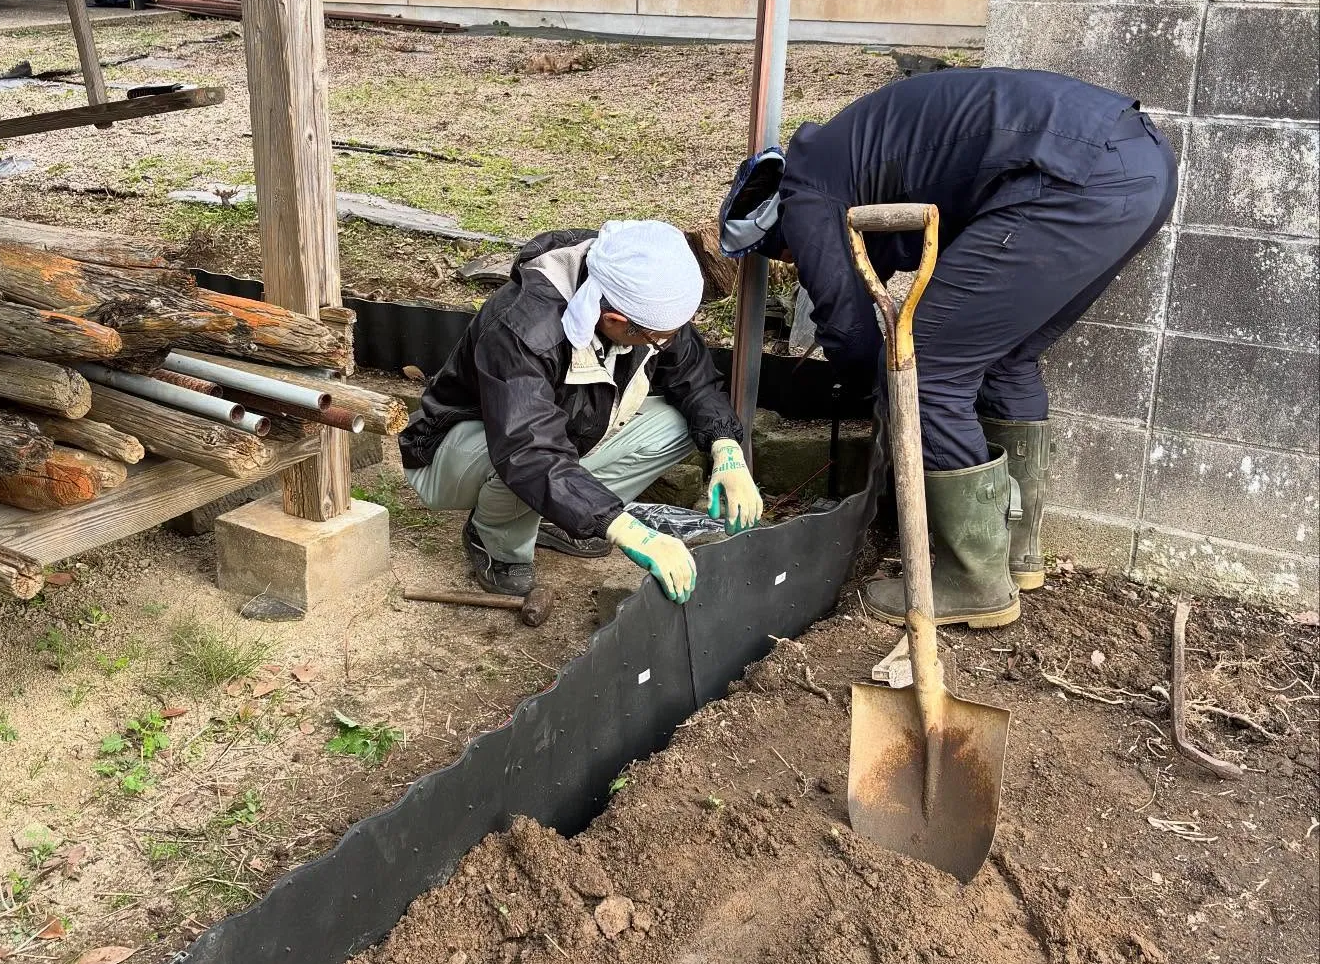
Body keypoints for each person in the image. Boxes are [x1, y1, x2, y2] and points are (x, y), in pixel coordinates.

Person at [718, 67, 1178, 628]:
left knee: (925, 371)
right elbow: (886, 273)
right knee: (1007, 360)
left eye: (787, 258)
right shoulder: (852, 152)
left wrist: (870, 390)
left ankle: (973, 579)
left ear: (776, 232)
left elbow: (853, 327)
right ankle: (1013, 556)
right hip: (1138, 166)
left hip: (1071, 178)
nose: (796, 266)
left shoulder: (806, 195)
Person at [400, 220, 764, 603]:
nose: (668, 343)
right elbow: (530, 452)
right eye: (662, 337)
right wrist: (626, 529)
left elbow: (693, 378)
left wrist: (727, 449)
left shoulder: (639, 291)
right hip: (454, 452)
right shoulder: (523, 329)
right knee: (532, 460)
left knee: (679, 425)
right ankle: (494, 541)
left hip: (556, 434)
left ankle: (560, 518)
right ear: (614, 321)